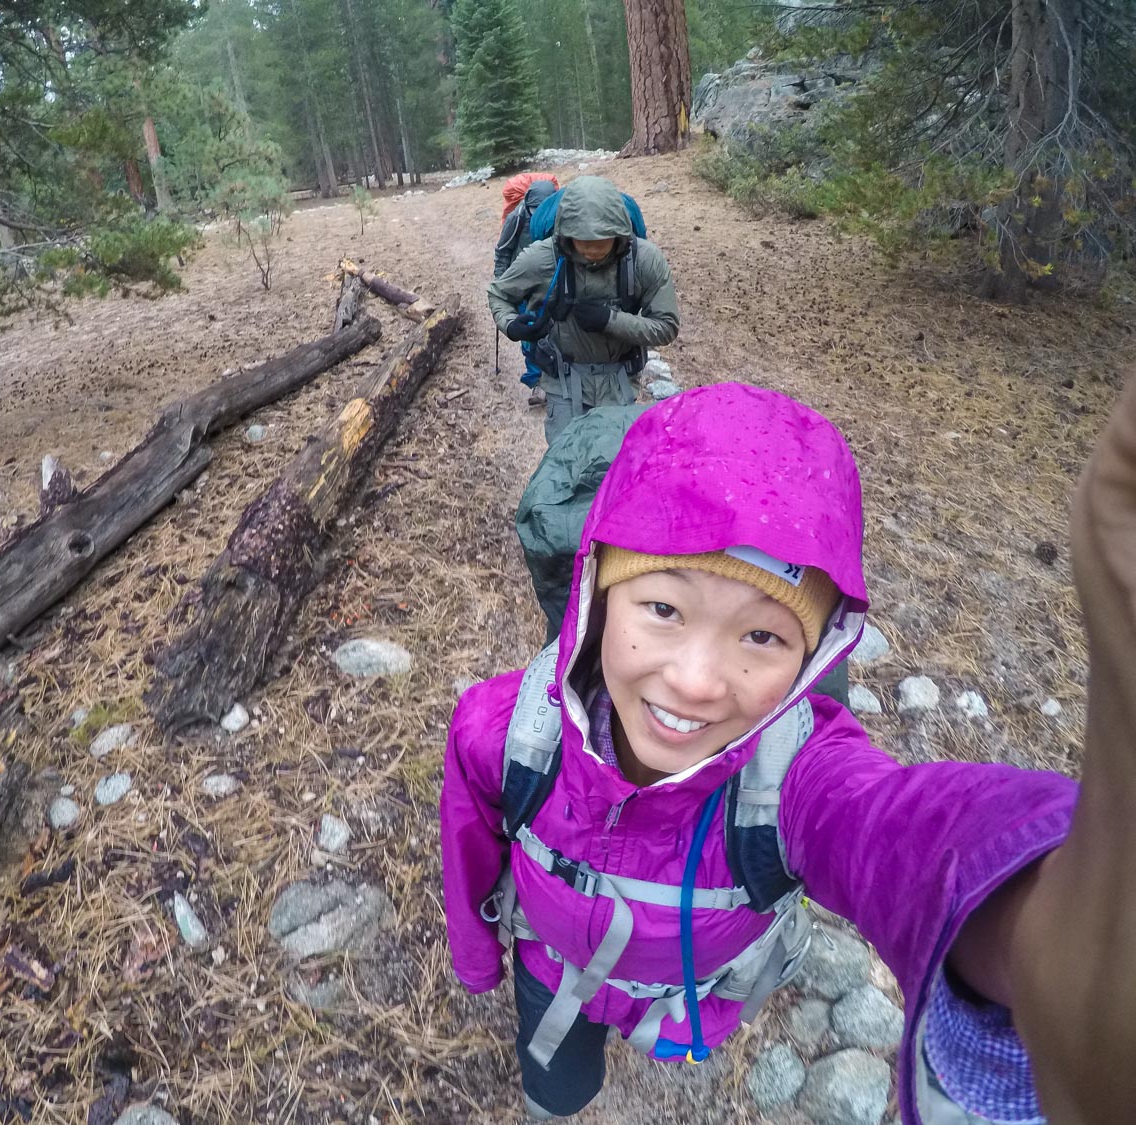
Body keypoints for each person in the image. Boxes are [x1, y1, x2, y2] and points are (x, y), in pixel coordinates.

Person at [440, 381, 1130, 1122]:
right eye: (663, 608)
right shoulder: (506, 729)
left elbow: (911, 841)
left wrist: (1076, 920)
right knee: (559, 1093)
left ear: (811, 657)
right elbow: (470, 851)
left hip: (689, 995)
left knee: (667, 1041)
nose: (697, 681)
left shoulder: (798, 782)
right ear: (600, 595)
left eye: (763, 636)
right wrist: (479, 961)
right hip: (553, 974)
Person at [487, 175, 679, 445]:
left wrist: (610, 320)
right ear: (566, 232)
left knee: (610, 466)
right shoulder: (544, 258)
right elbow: (498, 292)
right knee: (566, 464)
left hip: (619, 381)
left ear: (619, 231)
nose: (592, 250)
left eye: (601, 240)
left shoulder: (644, 260)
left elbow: (666, 325)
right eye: (582, 241)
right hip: (562, 380)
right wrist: (510, 324)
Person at [494, 174, 561, 408]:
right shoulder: (517, 217)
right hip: (522, 283)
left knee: (554, 330)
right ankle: (537, 381)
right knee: (529, 333)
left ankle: (554, 377)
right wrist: (502, 285)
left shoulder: (560, 216)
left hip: (550, 282)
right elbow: (503, 251)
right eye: (534, 210)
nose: (537, 216)